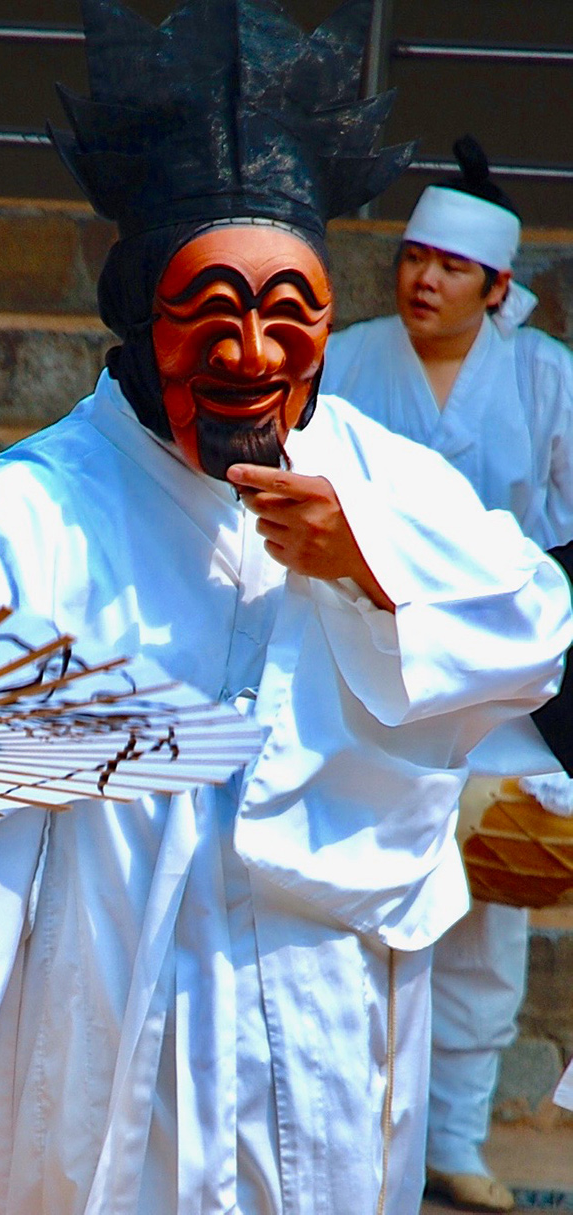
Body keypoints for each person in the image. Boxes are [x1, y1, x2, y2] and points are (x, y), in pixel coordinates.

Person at [0, 6, 571, 1214]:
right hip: (122, 994)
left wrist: (369, 569)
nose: (252, 354)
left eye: (288, 316)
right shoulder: (49, 500)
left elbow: (533, 621)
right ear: (146, 326)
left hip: (329, 1002)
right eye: (213, 319)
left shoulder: (378, 478)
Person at [322, 135, 573, 1213]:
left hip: (506, 673)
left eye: (449, 267)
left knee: (486, 923)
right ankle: (353, 1144)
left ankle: (452, 1144)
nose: (422, 280)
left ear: (496, 285)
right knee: (360, 909)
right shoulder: (340, 358)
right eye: (411, 258)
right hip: (359, 660)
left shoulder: (547, 379)